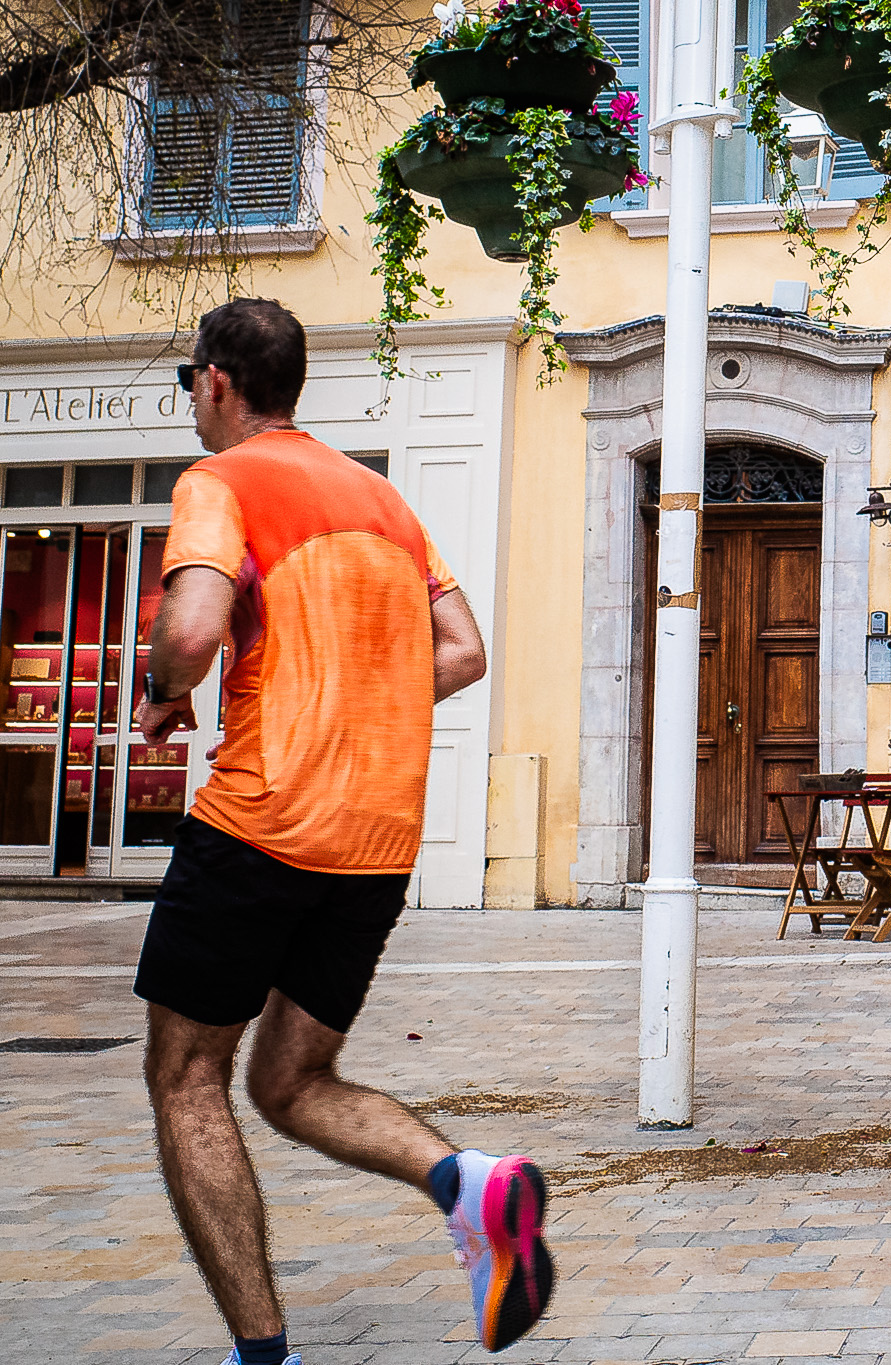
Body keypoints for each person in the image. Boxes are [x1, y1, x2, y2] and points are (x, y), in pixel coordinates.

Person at [131, 299, 554, 1365]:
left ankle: (262, 1356)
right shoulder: (383, 501)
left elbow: (189, 630)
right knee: (289, 1082)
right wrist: (359, 701)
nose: (192, 400)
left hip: (260, 820)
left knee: (188, 1079)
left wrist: (166, 686)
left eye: (190, 383)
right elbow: (460, 651)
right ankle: (471, 1184)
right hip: (372, 843)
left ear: (217, 380)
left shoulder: (218, 484)